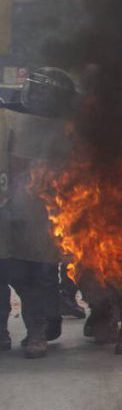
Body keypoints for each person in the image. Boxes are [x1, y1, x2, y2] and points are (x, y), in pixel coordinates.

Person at [0, 67, 77, 358]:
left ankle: (38, 331)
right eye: (37, 89)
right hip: (6, 206)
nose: (39, 96)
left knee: (35, 273)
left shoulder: (62, 130)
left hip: (37, 212)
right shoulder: (8, 116)